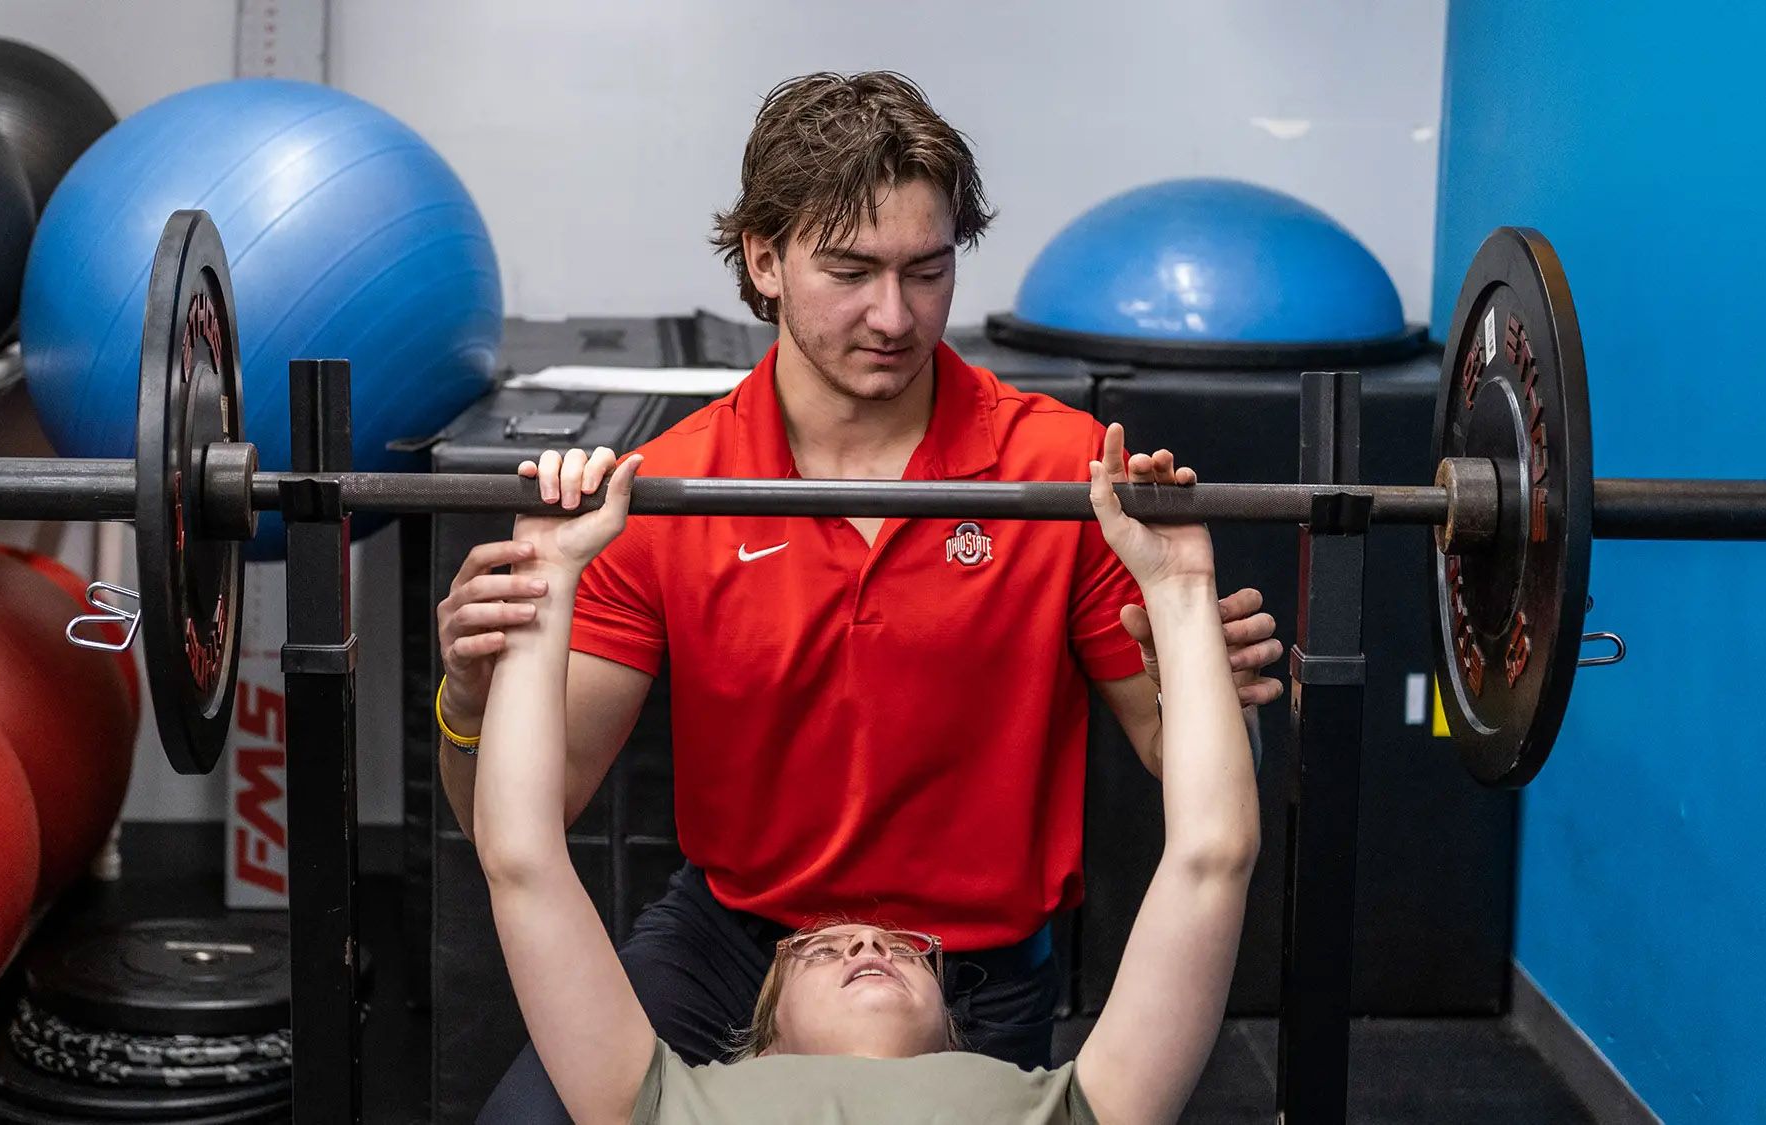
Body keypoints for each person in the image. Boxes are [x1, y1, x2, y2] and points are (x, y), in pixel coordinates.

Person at [436, 72, 1284, 1120]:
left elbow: (1194, 785)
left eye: (925, 272)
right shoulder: (666, 490)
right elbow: (526, 817)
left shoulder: (1064, 476)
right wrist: (470, 706)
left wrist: (1211, 689)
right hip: (732, 938)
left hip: (968, 961)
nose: (893, 315)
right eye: (850, 271)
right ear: (764, 260)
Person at [476, 436, 1258, 1124]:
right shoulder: (662, 1101)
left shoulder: (1069, 1106)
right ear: (762, 1035)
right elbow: (521, 857)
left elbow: (1211, 857)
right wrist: (542, 581)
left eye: (909, 948)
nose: (865, 936)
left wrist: (1180, 588)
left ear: (960, 1031)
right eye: (818, 950)